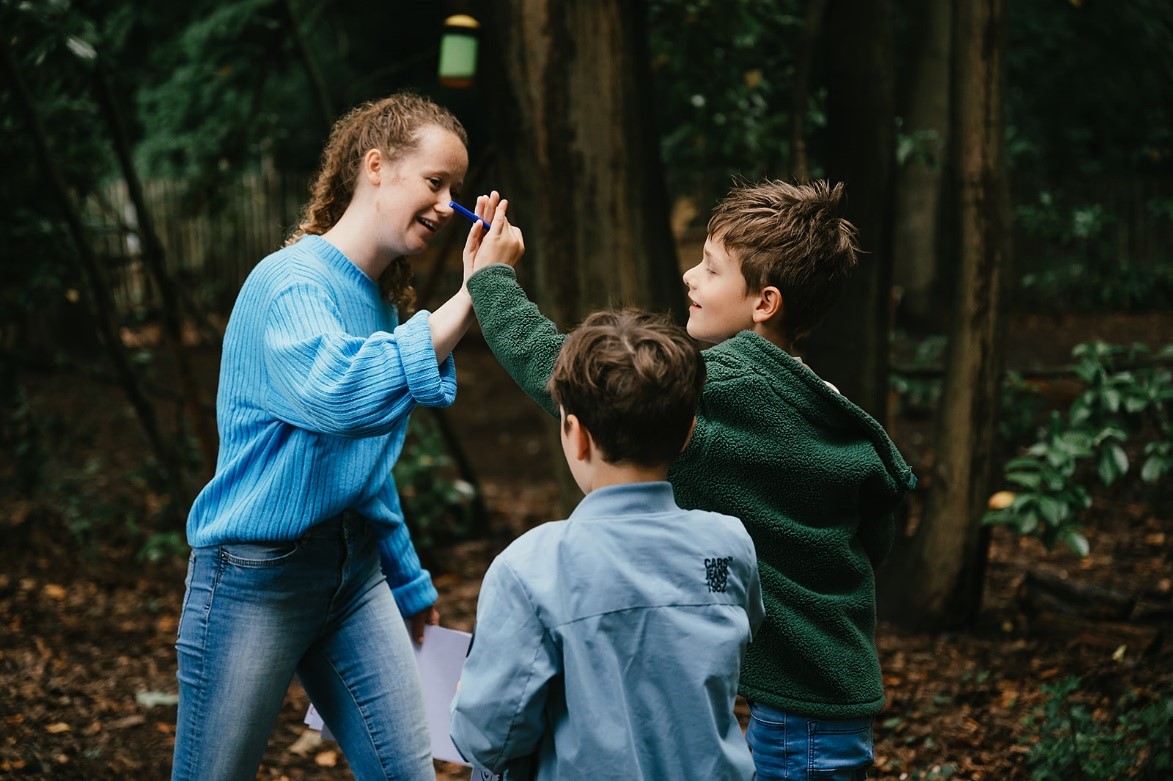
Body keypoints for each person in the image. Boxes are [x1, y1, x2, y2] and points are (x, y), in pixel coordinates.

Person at [462, 180, 916, 780]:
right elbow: (876, 533)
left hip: (796, 724)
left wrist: (492, 281)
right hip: (831, 702)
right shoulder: (816, 397)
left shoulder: (724, 387)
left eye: (710, 267)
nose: (689, 276)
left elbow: (572, 374)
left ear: (765, 303)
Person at [171, 92, 524, 781]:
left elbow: (361, 467)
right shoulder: (288, 284)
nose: (448, 205)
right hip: (255, 580)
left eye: (455, 190)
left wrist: (407, 578)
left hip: (355, 578)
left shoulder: (378, 298)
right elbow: (337, 395)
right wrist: (477, 290)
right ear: (375, 166)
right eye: (435, 182)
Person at [449, 309, 764, 780]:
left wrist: (465, 701)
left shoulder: (531, 567)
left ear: (577, 436)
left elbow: (488, 739)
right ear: (687, 434)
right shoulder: (729, 544)